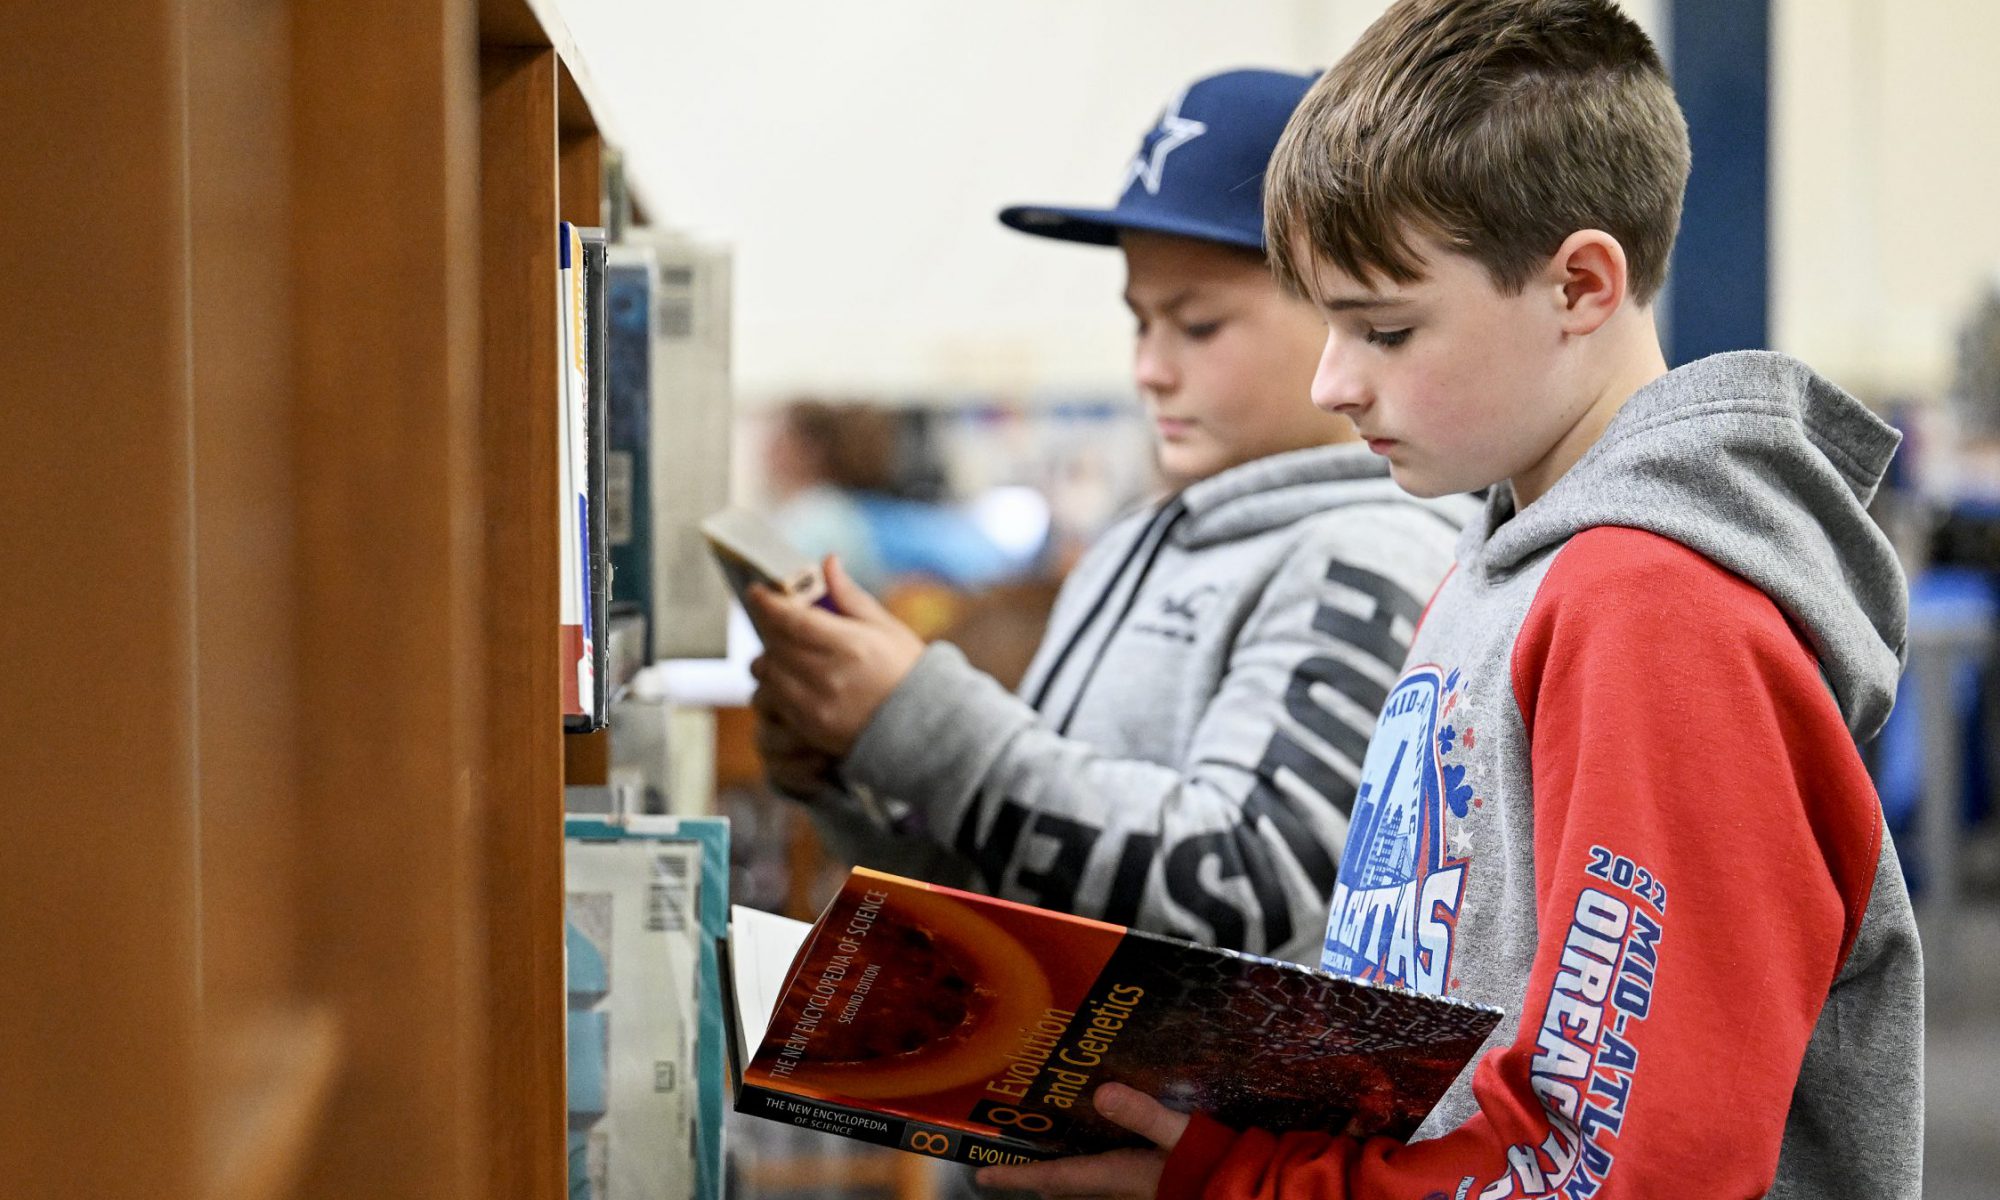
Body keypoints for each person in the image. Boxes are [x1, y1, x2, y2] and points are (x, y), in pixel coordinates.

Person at [979, 3, 1924, 1198]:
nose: (1333, 381)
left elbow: (1625, 1168)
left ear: (1578, 284)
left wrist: (1250, 1186)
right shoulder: (1509, 565)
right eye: (1327, 324)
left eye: (1385, 328)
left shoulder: (1651, 608)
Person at [748, 68, 1475, 965]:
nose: (1150, 368)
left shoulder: (1376, 551)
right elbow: (1037, 887)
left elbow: (1239, 891)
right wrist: (862, 775)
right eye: (1139, 322)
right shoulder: (1141, 536)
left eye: (1197, 325)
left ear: (1349, 306)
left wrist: (918, 722)